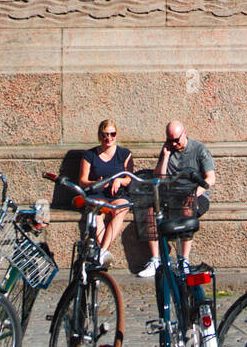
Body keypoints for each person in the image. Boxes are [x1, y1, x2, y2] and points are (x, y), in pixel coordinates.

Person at [137, 120, 215, 278]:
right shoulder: (168, 149)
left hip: (196, 194)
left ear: (184, 134)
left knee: (187, 209)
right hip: (171, 194)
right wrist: (165, 157)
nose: (173, 144)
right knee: (150, 210)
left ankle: (183, 260)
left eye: (176, 140)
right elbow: (158, 177)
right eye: (169, 140)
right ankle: (155, 260)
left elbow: (211, 179)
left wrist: (194, 193)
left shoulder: (199, 149)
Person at [78, 118, 134, 265]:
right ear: (99, 136)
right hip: (98, 193)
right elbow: (82, 181)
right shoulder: (90, 155)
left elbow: (129, 178)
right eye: (105, 135)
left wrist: (119, 180)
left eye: (112, 134)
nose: (108, 138)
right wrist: (96, 183)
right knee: (96, 213)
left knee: (121, 209)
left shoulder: (124, 154)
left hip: (117, 193)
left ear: (116, 135)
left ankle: (101, 251)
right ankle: (102, 253)